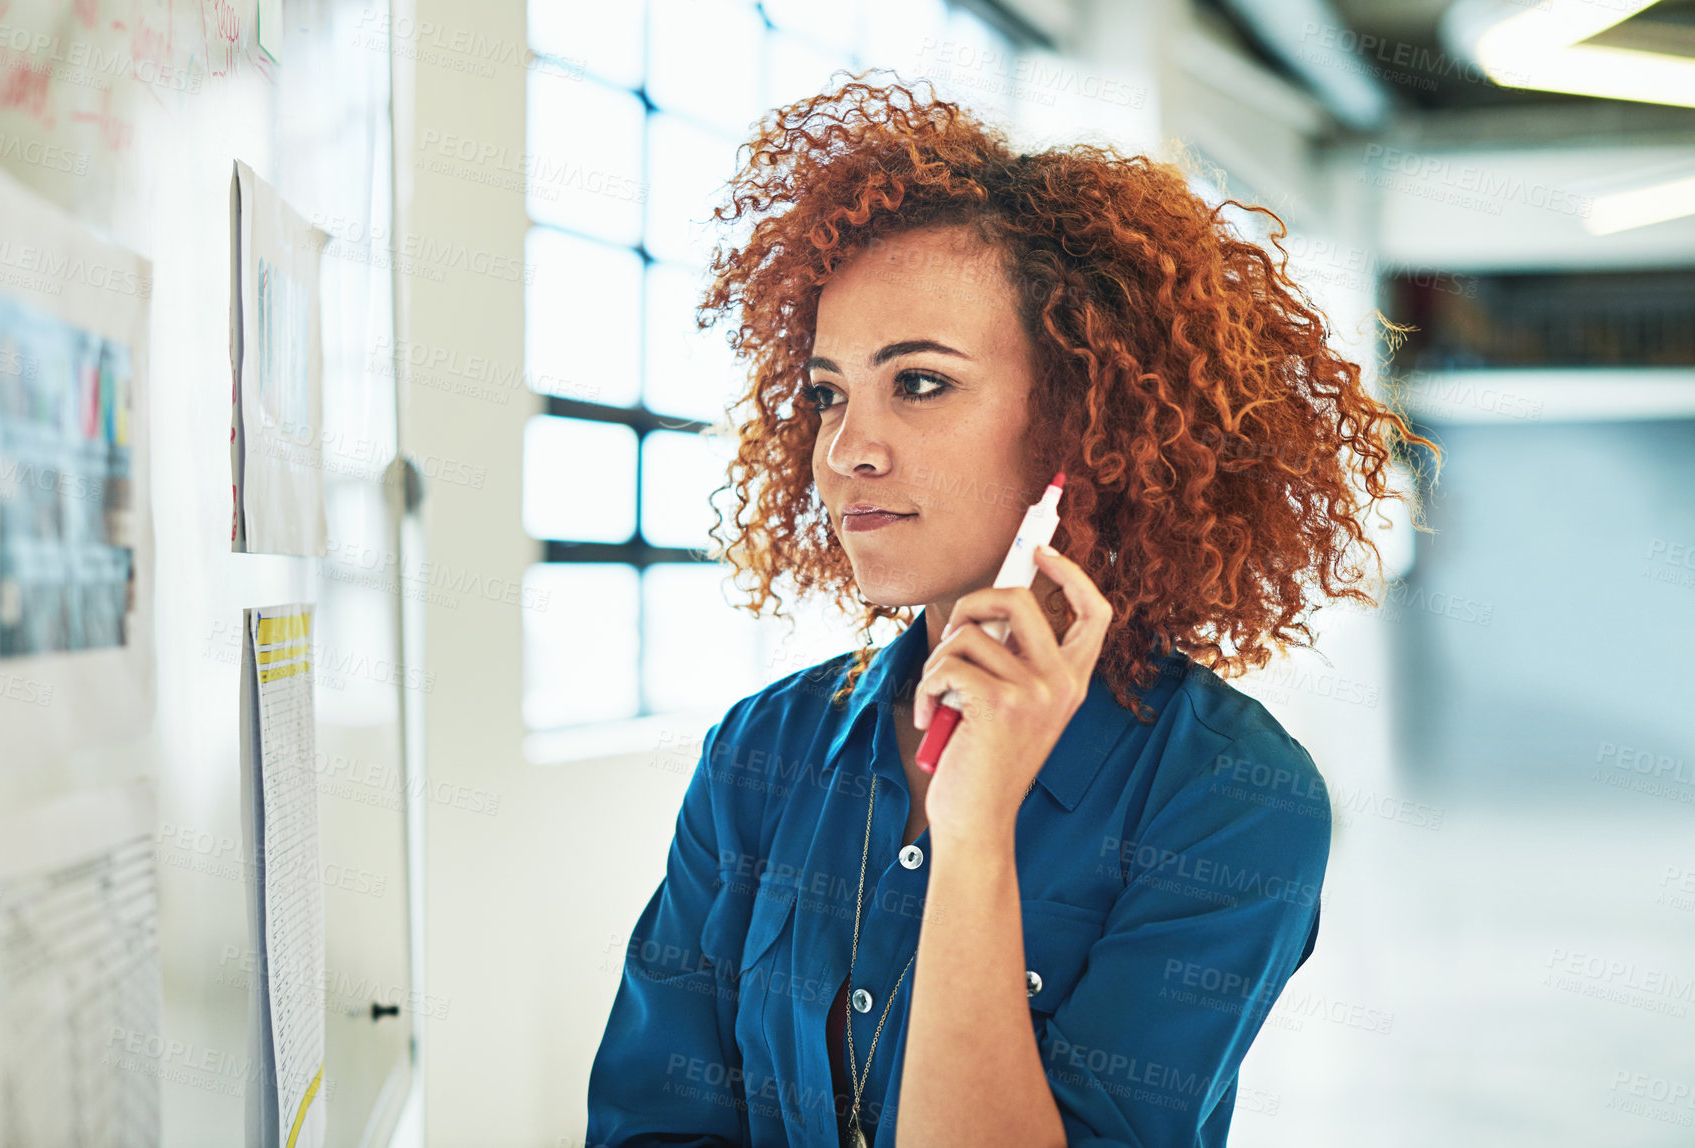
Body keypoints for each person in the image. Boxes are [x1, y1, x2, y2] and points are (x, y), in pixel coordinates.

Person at [586, 72, 1439, 1148]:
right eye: (827, 391)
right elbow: (651, 1123)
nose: (846, 448)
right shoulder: (763, 748)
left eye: (921, 383)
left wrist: (975, 832)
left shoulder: (1230, 798)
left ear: (1081, 422)